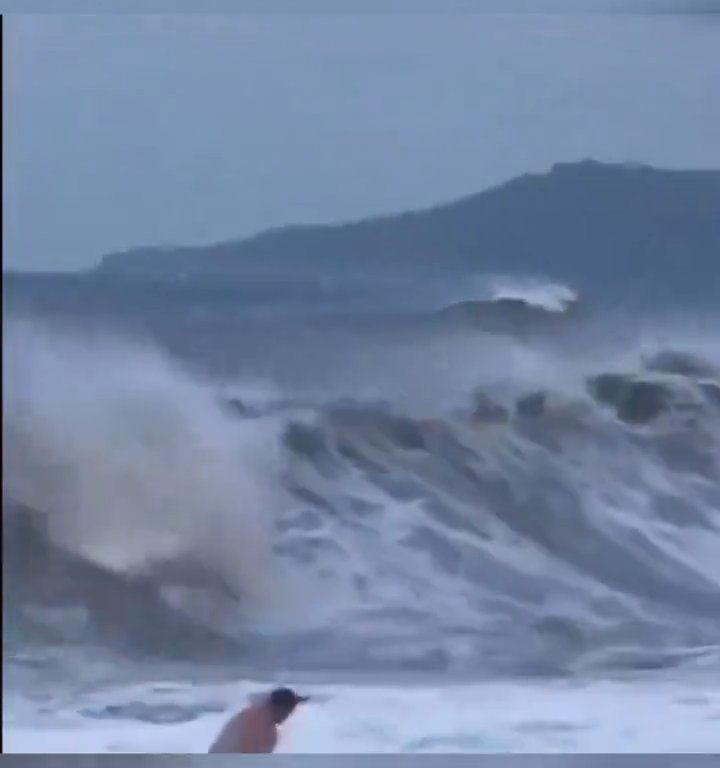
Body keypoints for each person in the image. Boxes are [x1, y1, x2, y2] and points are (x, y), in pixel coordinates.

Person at [208, 687, 309, 753]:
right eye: (289, 709)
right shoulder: (260, 725)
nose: (289, 714)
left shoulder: (254, 714)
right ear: (279, 708)